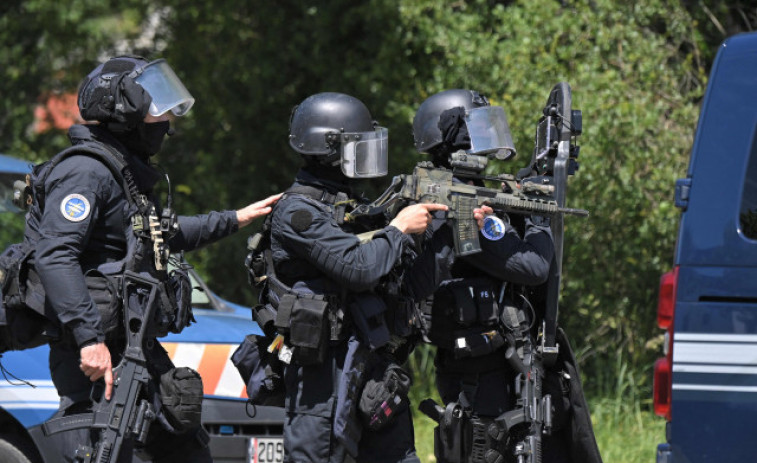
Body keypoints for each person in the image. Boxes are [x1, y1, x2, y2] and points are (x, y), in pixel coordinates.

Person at [29, 55, 280, 463]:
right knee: (107, 450)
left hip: (132, 345)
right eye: (155, 111)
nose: (166, 123)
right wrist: (89, 339)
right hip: (93, 354)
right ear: (125, 114)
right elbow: (55, 255)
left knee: (183, 444)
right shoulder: (85, 172)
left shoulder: (124, 172)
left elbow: (162, 234)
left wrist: (237, 218)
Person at [269, 92, 446, 463]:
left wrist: (445, 231)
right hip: (323, 378)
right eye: (358, 146)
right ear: (331, 150)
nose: (367, 156)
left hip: (372, 369)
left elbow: (411, 285)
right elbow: (359, 267)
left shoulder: (355, 211)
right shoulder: (298, 213)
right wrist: (398, 229)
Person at [409, 89, 561, 462]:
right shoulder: (461, 206)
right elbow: (533, 268)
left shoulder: (451, 196)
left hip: (478, 367)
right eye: (476, 127)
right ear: (454, 138)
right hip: (480, 375)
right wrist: (539, 219)